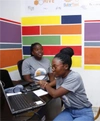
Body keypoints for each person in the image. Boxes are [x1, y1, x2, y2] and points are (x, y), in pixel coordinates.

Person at [39, 47, 94, 121]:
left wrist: (46, 85)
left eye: (55, 67)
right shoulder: (60, 77)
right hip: (69, 111)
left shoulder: (74, 77)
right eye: (52, 67)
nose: (53, 70)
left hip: (83, 112)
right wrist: (45, 84)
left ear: (66, 66)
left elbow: (55, 94)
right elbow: (52, 84)